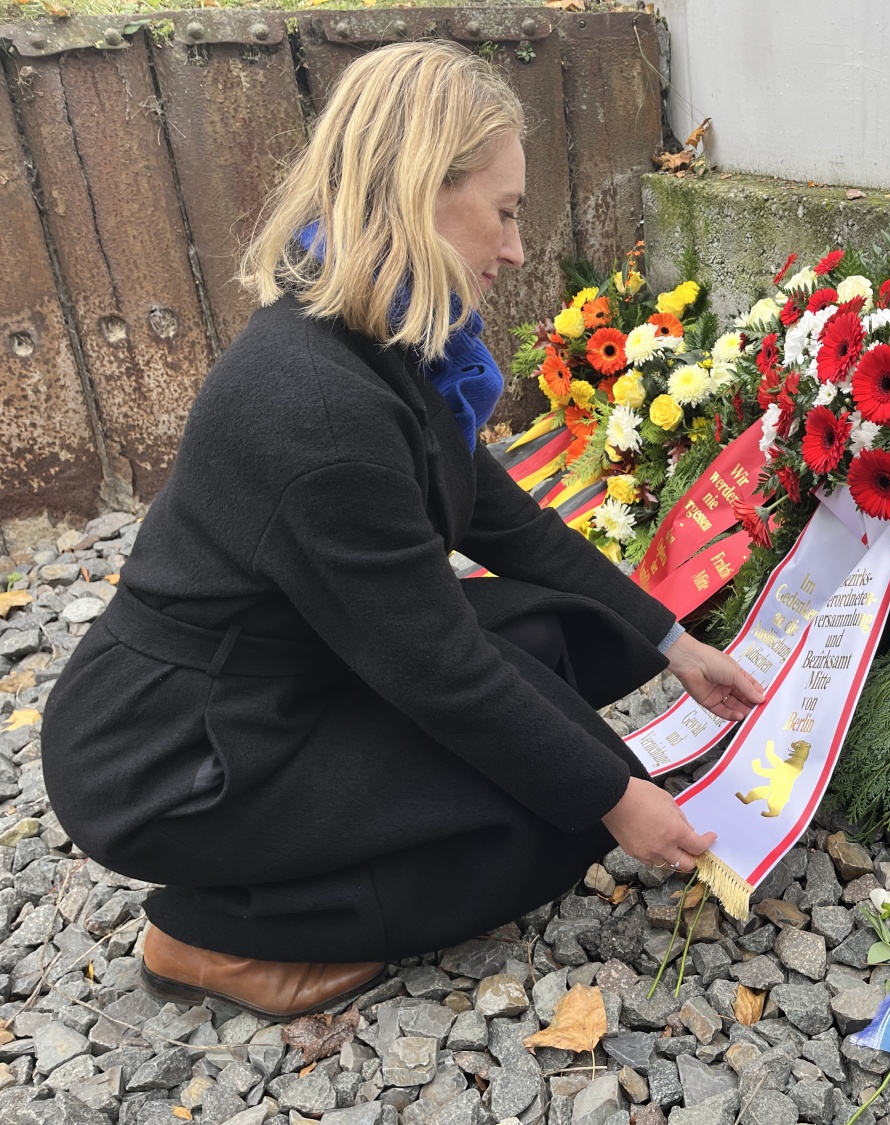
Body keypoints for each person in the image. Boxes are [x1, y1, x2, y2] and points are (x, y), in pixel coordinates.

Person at [40, 40, 762, 1020]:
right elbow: (442, 671)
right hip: (178, 759)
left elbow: (514, 528)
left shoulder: (381, 341)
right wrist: (615, 800)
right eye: (504, 212)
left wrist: (674, 645)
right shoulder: (316, 407)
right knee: (548, 825)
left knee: (551, 638)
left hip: (279, 682)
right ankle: (211, 934)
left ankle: (321, 861)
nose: (514, 248)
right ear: (425, 189)